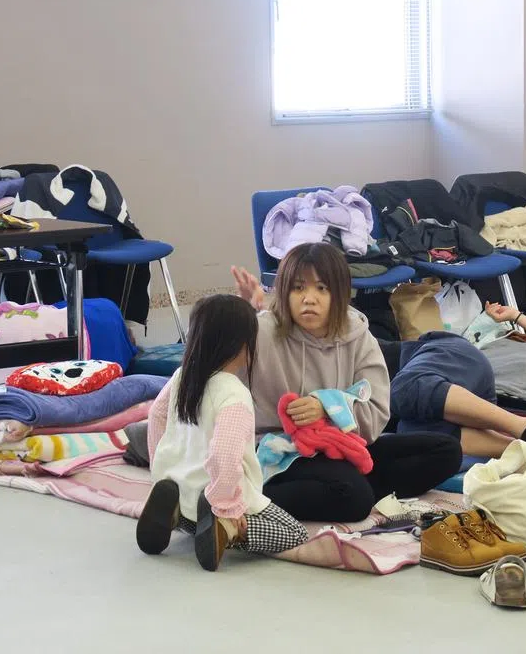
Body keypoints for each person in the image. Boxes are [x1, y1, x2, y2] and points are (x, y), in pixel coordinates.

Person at [221, 243, 462, 523]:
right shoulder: (261, 331)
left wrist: (326, 408)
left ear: (339, 293)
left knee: (445, 451)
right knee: (354, 498)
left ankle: (342, 490)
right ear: (284, 292)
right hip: (278, 451)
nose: (309, 299)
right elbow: (211, 374)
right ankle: (252, 496)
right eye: (298, 288)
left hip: (341, 444)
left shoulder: (357, 334)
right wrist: (238, 319)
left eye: (322, 288)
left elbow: (376, 409)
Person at [137, 294, 310, 571]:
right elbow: (225, 453)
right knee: (294, 533)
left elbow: (156, 415)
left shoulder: (182, 376)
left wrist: (161, 468)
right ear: (242, 345)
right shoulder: (233, 393)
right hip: (216, 493)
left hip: (179, 484)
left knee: (195, 512)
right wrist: (226, 506)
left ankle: (177, 515)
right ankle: (227, 530)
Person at [378, 332, 526, 457]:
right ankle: (522, 451)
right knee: (411, 435)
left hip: (450, 356)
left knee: (405, 388)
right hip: (443, 412)